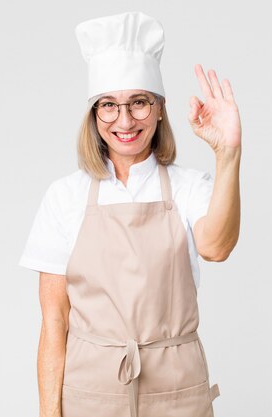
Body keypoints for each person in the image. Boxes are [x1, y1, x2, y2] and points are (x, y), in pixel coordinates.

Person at [18, 11, 241, 417]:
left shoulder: (191, 187)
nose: (124, 120)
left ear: (159, 109)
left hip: (177, 393)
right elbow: (54, 324)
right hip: (90, 396)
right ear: (94, 114)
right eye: (109, 105)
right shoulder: (64, 197)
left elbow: (217, 247)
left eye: (139, 102)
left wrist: (228, 155)